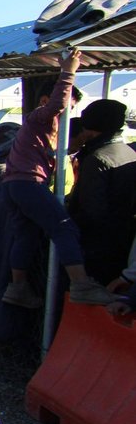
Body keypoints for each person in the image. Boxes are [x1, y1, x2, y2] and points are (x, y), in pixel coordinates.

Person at [1, 49, 116, 308]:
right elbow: (57, 104)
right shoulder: (40, 117)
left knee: (26, 236)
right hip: (28, 183)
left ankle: (17, 287)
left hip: (13, 186)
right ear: (45, 100)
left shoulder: (39, 130)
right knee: (64, 227)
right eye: (69, 108)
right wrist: (69, 71)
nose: (67, 115)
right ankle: (81, 284)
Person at [65, 98, 136, 285]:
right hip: (123, 244)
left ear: (93, 127)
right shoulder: (130, 154)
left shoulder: (97, 159)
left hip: (95, 248)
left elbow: (92, 210)